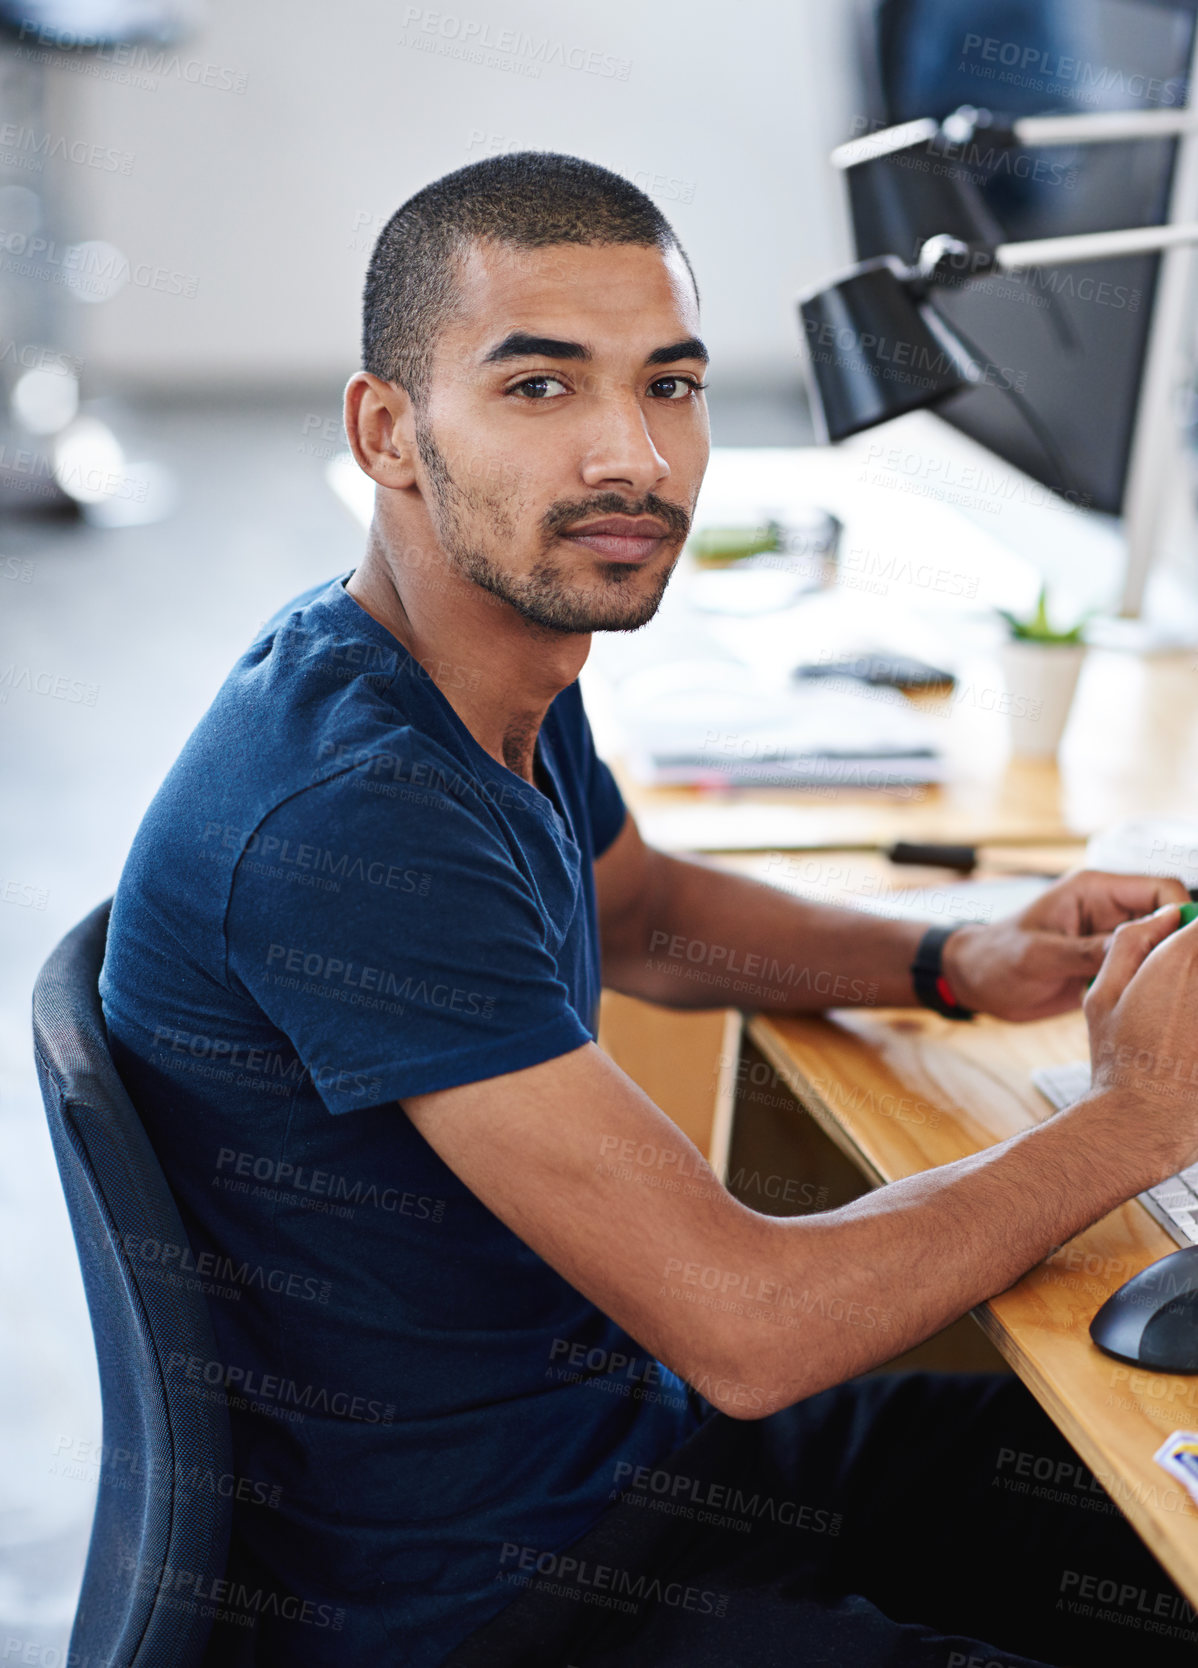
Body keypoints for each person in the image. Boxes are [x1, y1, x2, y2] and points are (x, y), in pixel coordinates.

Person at [99, 152, 1198, 1667]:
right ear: (388, 432)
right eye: (540, 390)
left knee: (1139, 1498)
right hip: (485, 1598)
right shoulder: (354, 811)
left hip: (622, 1457)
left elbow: (641, 911)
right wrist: (1137, 1120)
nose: (632, 456)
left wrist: (960, 958)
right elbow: (748, 1329)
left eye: (669, 385)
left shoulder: (475, 669)